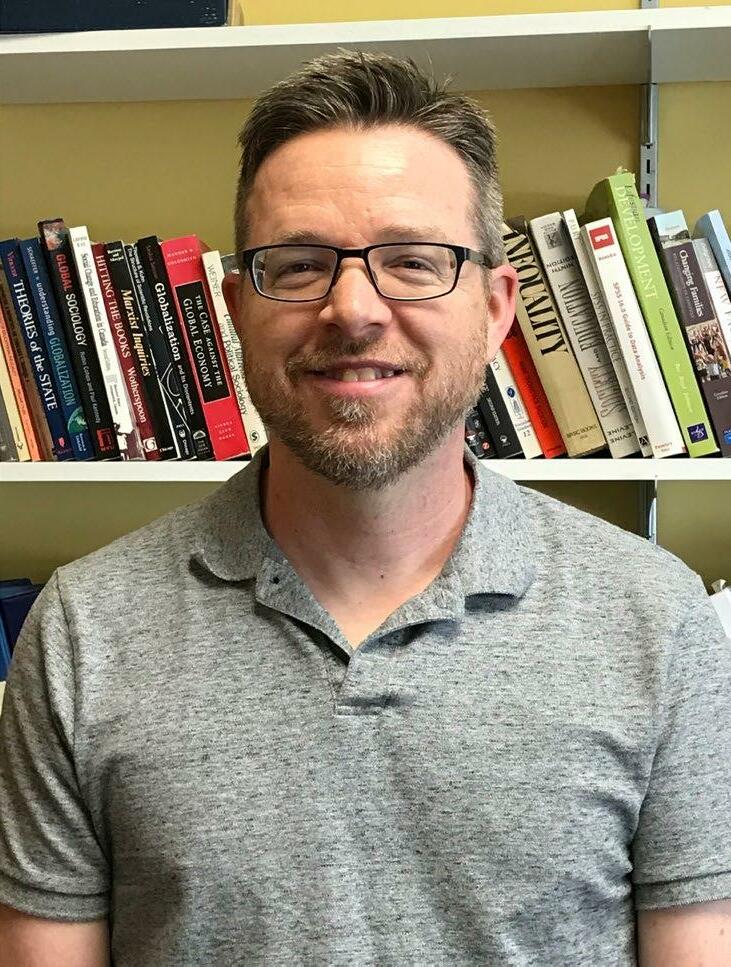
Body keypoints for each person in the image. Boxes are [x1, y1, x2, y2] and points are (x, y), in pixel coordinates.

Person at [1, 50, 730, 967]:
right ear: (236, 308)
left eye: (414, 261)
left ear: (496, 309)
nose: (352, 309)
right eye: (299, 264)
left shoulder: (655, 618)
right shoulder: (82, 631)